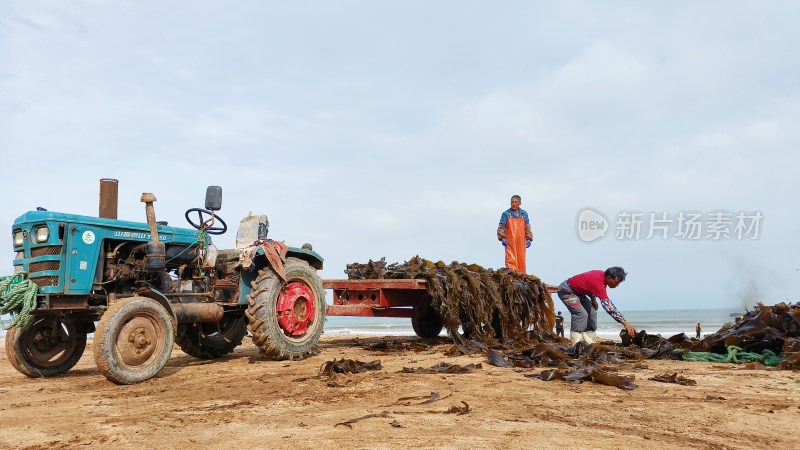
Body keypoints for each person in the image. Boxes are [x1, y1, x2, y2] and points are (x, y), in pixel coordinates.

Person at [556, 267, 636, 345]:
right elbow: (609, 308)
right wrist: (625, 323)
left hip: (579, 292)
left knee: (593, 313)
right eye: (616, 283)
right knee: (581, 314)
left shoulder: (602, 276)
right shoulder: (599, 284)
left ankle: (590, 340)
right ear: (609, 278)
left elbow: (589, 285)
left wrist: (593, 299)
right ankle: (575, 343)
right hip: (566, 291)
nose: (617, 285)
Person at [497, 195, 532, 273]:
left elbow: (527, 227)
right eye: (512, 202)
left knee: (521, 260)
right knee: (510, 260)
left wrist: (529, 239)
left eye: (516, 202)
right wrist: (502, 238)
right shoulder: (505, 214)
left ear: (520, 203)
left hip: (521, 242)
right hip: (510, 242)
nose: (513, 204)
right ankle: (512, 276)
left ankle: (522, 277)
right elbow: (501, 227)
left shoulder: (524, 214)